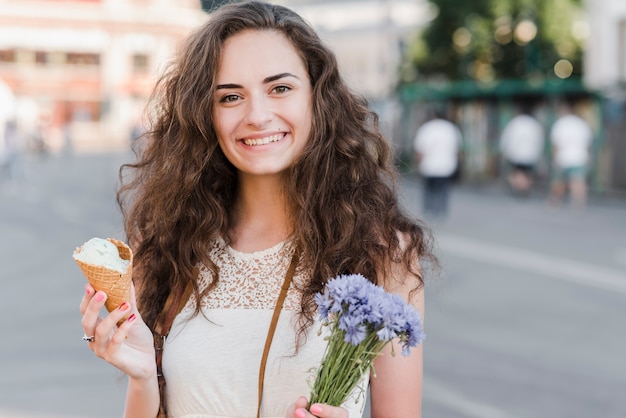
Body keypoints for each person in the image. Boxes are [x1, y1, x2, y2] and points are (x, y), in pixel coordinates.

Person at [79, 2, 435, 418]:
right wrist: (142, 376)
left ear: (318, 99)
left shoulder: (383, 251)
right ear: (205, 115)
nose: (258, 116)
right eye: (231, 97)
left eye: (280, 88)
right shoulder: (167, 246)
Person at [413, 110, 462, 219]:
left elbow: (420, 150)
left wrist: (418, 163)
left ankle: (428, 210)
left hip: (428, 165)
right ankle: (441, 211)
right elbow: (457, 149)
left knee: (428, 189)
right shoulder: (451, 129)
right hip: (446, 165)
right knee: (443, 189)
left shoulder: (426, 128)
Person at [548, 103, 594, 211]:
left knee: (559, 181)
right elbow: (588, 142)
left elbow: (556, 144)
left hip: (563, 158)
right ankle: (578, 204)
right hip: (580, 157)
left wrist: (554, 158)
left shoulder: (560, 123)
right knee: (578, 182)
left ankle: (554, 203)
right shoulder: (581, 123)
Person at [498, 104, 545, 196]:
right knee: (525, 173)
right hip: (531, 155)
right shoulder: (534, 124)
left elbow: (506, 138)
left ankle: (519, 187)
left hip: (516, 154)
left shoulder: (514, 123)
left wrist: (504, 151)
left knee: (518, 172)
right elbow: (540, 140)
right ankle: (523, 187)